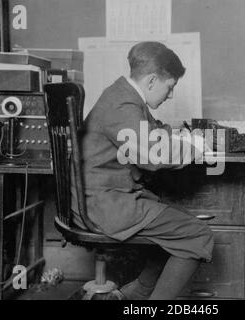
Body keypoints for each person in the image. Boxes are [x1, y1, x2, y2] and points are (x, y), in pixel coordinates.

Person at [72, 41, 214, 300]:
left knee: (175, 225)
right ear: (151, 81)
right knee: (197, 235)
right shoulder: (123, 105)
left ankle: (134, 296)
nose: (170, 95)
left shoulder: (123, 95)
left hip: (105, 197)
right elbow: (151, 155)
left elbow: (151, 133)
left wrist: (185, 139)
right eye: (169, 87)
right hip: (104, 205)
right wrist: (194, 148)